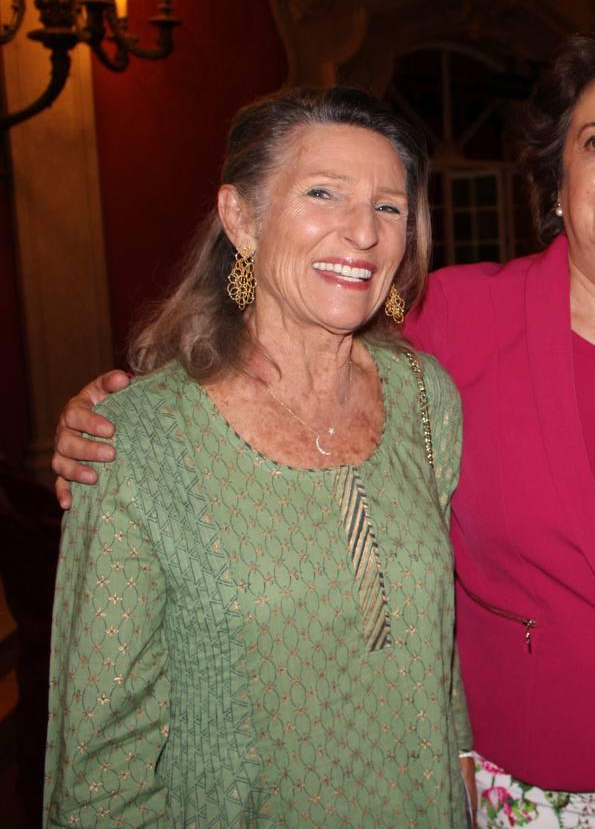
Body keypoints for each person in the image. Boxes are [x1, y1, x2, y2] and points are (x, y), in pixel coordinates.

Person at [52, 30, 595, 828]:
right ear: (556, 180)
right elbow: (296, 343)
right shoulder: (454, 314)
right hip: (508, 766)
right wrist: (117, 414)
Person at [44, 88, 473, 825]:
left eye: (389, 207)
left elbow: (437, 650)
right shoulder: (136, 440)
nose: (362, 233)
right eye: (323, 194)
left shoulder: (425, 397)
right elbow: (99, 767)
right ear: (241, 218)